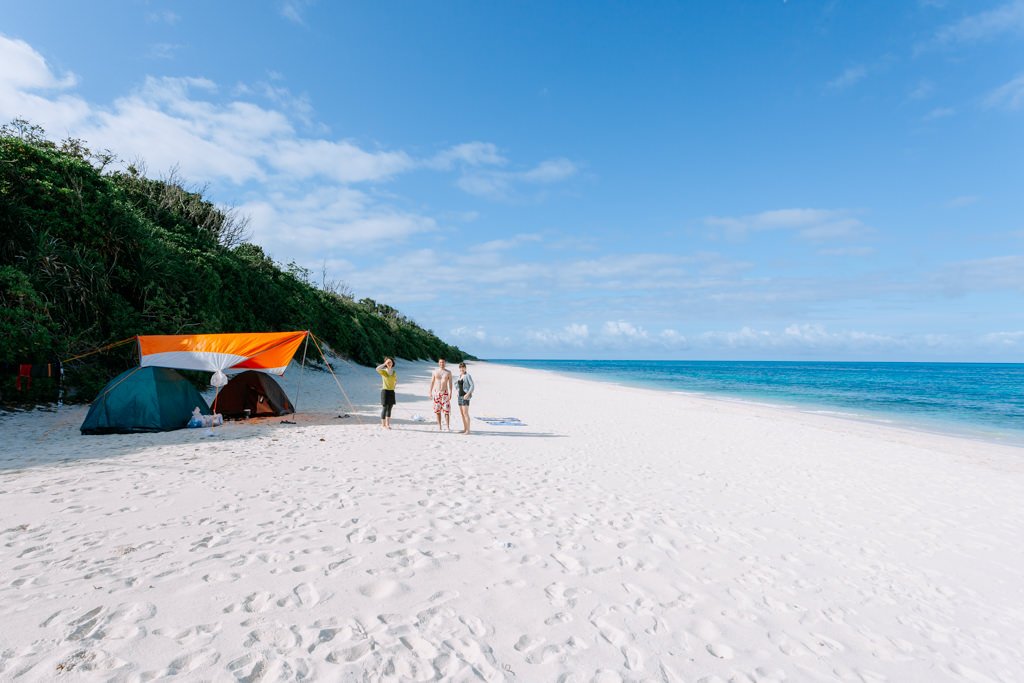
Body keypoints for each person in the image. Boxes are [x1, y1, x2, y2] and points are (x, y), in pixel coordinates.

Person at [429, 358, 453, 431]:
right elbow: (432, 382)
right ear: (438, 363)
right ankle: (439, 426)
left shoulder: (448, 372)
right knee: (437, 411)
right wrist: (430, 391)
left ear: (445, 363)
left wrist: (451, 392)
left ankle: (448, 426)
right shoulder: (435, 372)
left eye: (443, 362)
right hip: (437, 393)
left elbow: (450, 383)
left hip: (445, 393)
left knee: (446, 411)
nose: (442, 363)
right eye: (440, 362)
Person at [376, 357, 397, 429]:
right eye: (388, 362)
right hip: (385, 391)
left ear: (392, 363)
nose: (389, 363)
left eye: (390, 362)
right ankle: (383, 425)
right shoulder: (384, 371)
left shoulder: (394, 372)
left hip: (391, 391)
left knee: (390, 408)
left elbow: (395, 380)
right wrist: (384, 364)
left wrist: (394, 386)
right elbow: (377, 369)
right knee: (385, 407)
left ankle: (388, 424)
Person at [456, 362, 475, 434]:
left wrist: (468, 394)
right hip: (460, 396)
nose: (462, 368)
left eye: (463, 367)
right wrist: (458, 392)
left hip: (465, 396)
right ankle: (464, 429)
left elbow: (472, 385)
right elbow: (458, 386)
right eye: (460, 367)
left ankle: (468, 430)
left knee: (465, 413)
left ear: (465, 368)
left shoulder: (467, 375)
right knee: (462, 414)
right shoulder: (460, 375)